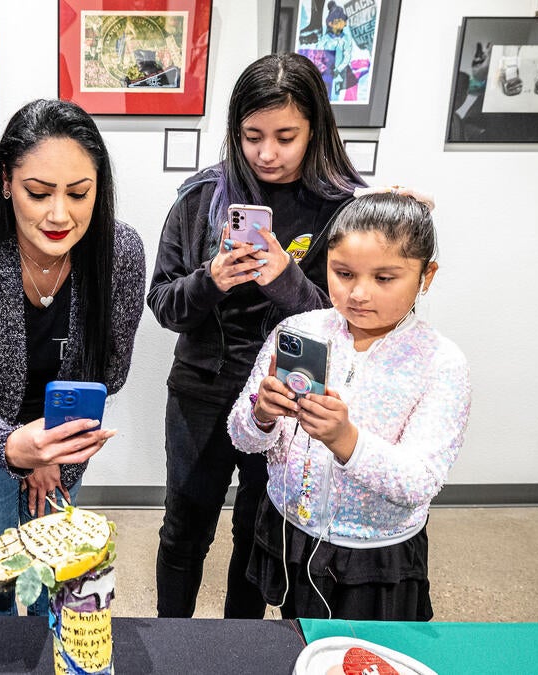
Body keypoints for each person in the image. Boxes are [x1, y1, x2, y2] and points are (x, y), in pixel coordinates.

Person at [146, 52, 363, 619]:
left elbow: (353, 322)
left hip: (286, 395)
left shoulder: (342, 211)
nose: (267, 153)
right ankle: (174, 639)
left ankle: (239, 643)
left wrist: (286, 282)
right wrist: (211, 281)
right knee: (184, 526)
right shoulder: (201, 200)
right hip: (201, 389)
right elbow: (164, 304)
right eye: (252, 136)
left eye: (286, 136)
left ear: (315, 129)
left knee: (256, 531)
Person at [0, 98, 144, 616]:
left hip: (64, 437)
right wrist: (15, 448)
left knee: (55, 565)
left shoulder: (119, 252)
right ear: (5, 182)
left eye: (79, 193)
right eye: (39, 193)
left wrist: (50, 453)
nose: (59, 214)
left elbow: (109, 372)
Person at [228, 189, 470, 620]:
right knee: (298, 634)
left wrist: (347, 440)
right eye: (342, 273)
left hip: (373, 548)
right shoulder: (299, 330)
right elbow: (241, 437)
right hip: (292, 526)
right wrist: (261, 414)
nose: (358, 294)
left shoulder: (439, 362)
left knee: (366, 653)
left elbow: (419, 482)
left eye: (384, 278)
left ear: (426, 276)